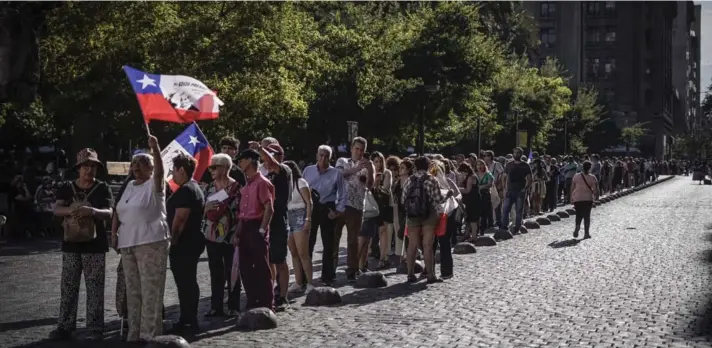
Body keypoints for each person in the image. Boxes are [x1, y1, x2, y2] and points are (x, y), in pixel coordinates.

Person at [49, 148, 114, 341]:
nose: (89, 170)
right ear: (78, 168)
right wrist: (73, 209)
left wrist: (92, 211)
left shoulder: (103, 188)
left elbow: (110, 212)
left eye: (93, 166)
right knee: (68, 286)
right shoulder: (67, 187)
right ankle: (65, 326)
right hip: (71, 244)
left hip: (95, 245)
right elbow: (56, 209)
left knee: (95, 288)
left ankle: (95, 328)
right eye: (86, 166)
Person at [112, 135, 170, 343]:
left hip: (151, 243)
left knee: (150, 291)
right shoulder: (129, 186)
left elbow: (161, 172)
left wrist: (155, 149)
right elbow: (117, 211)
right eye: (134, 163)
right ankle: (133, 333)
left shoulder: (155, 184)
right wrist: (113, 234)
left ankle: (150, 335)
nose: (137, 166)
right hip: (128, 243)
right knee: (133, 291)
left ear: (151, 168)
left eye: (143, 163)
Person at [166, 154, 206, 334]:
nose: (172, 174)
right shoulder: (194, 187)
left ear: (181, 169)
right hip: (193, 240)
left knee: (185, 283)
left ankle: (188, 319)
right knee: (189, 282)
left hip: (184, 243)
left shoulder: (186, 191)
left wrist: (172, 243)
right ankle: (188, 317)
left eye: (173, 170)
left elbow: (179, 220)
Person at [235, 149, 275, 311]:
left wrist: (261, 229)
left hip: (256, 225)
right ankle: (253, 300)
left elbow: (269, 208)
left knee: (261, 267)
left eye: (242, 160)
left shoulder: (262, 182)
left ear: (251, 161)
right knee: (245, 267)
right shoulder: (248, 183)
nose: (239, 163)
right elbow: (242, 213)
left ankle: (266, 303)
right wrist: (238, 232)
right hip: (245, 226)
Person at [202, 153, 242, 317]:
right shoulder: (208, 188)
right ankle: (216, 306)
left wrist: (238, 233)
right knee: (215, 272)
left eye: (214, 166)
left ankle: (233, 306)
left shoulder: (238, 188)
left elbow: (241, 213)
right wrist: (205, 209)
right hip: (211, 236)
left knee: (232, 272)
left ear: (225, 168)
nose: (210, 169)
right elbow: (201, 211)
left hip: (231, 236)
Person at [401, 156, 452, 283]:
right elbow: (439, 199)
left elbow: (403, 199)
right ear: (429, 166)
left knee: (412, 245)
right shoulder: (431, 179)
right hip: (429, 215)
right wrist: (448, 195)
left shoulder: (409, 180)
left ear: (415, 167)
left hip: (413, 215)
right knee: (427, 245)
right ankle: (430, 275)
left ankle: (410, 274)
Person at [302, 145, 346, 284]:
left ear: (330, 157)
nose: (323, 158)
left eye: (326, 156)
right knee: (308, 242)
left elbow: (343, 193)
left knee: (329, 244)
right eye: (321, 155)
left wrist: (338, 211)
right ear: (317, 155)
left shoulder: (336, 173)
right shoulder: (308, 171)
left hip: (328, 208)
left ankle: (327, 276)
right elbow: (300, 188)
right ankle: (304, 276)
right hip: (312, 207)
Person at [333, 137, 375, 282]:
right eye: (357, 149)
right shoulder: (342, 162)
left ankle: (352, 270)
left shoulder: (368, 165)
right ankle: (330, 271)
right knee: (334, 239)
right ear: (351, 148)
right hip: (340, 204)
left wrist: (369, 169)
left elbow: (370, 185)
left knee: (353, 241)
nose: (359, 152)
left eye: (362, 150)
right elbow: (338, 175)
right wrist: (356, 169)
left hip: (356, 206)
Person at [256, 142, 292, 310]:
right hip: (267, 221)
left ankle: (283, 296)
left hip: (278, 222)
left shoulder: (284, 171)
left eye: (272, 154)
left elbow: (273, 163)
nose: (266, 159)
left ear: (280, 157)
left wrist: (260, 148)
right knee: (269, 261)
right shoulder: (266, 176)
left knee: (280, 261)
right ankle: (270, 294)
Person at [283, 160, 314, 293]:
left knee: (303, 253)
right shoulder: (284, 185)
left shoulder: (300, 182)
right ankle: (298, 282)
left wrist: (308, 219)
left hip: (300, 214)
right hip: (288, 216)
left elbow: (309, 201)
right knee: (294, 252)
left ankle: (310, 283)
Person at [501, 147, 532, 233]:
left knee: (519, 211)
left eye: (518, 153)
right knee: (505, 209)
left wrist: (525, 189)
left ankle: (517, 227)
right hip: (509, 190)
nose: (516, 154)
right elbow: (504, 177)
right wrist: (504, 188)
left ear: (521, 154)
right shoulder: (509, 164)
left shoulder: (525, 165)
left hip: (520, 191)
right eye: (515, 152)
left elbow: (530, 179)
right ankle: (504, 227)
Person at [570, 161, 598, 239]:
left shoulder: (576, 176)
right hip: (588, 199)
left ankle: (577, 226)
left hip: (577, 198)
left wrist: (571, 197)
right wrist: (595, 197)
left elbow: (572, 187)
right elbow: (595, 190)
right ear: (590, 168)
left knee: (578, 214)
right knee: (587, 216)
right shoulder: (592, 177)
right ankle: (586, 233)